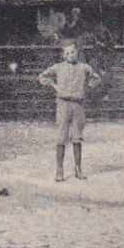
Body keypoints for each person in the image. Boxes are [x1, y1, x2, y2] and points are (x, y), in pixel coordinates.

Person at [38, 42, 103, 181]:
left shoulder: (84, 68)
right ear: (63, 55)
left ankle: (78, 169)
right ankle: (59, 170)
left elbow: (96, 79)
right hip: (63, 104)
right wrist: (54, 86)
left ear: (77, 53)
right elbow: (42, 77)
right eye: (67, 53)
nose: (70, 55)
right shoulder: (58, 68)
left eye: (72, 52)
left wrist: (86, 87)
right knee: (62, 137)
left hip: (78, 105)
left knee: (77, 137)